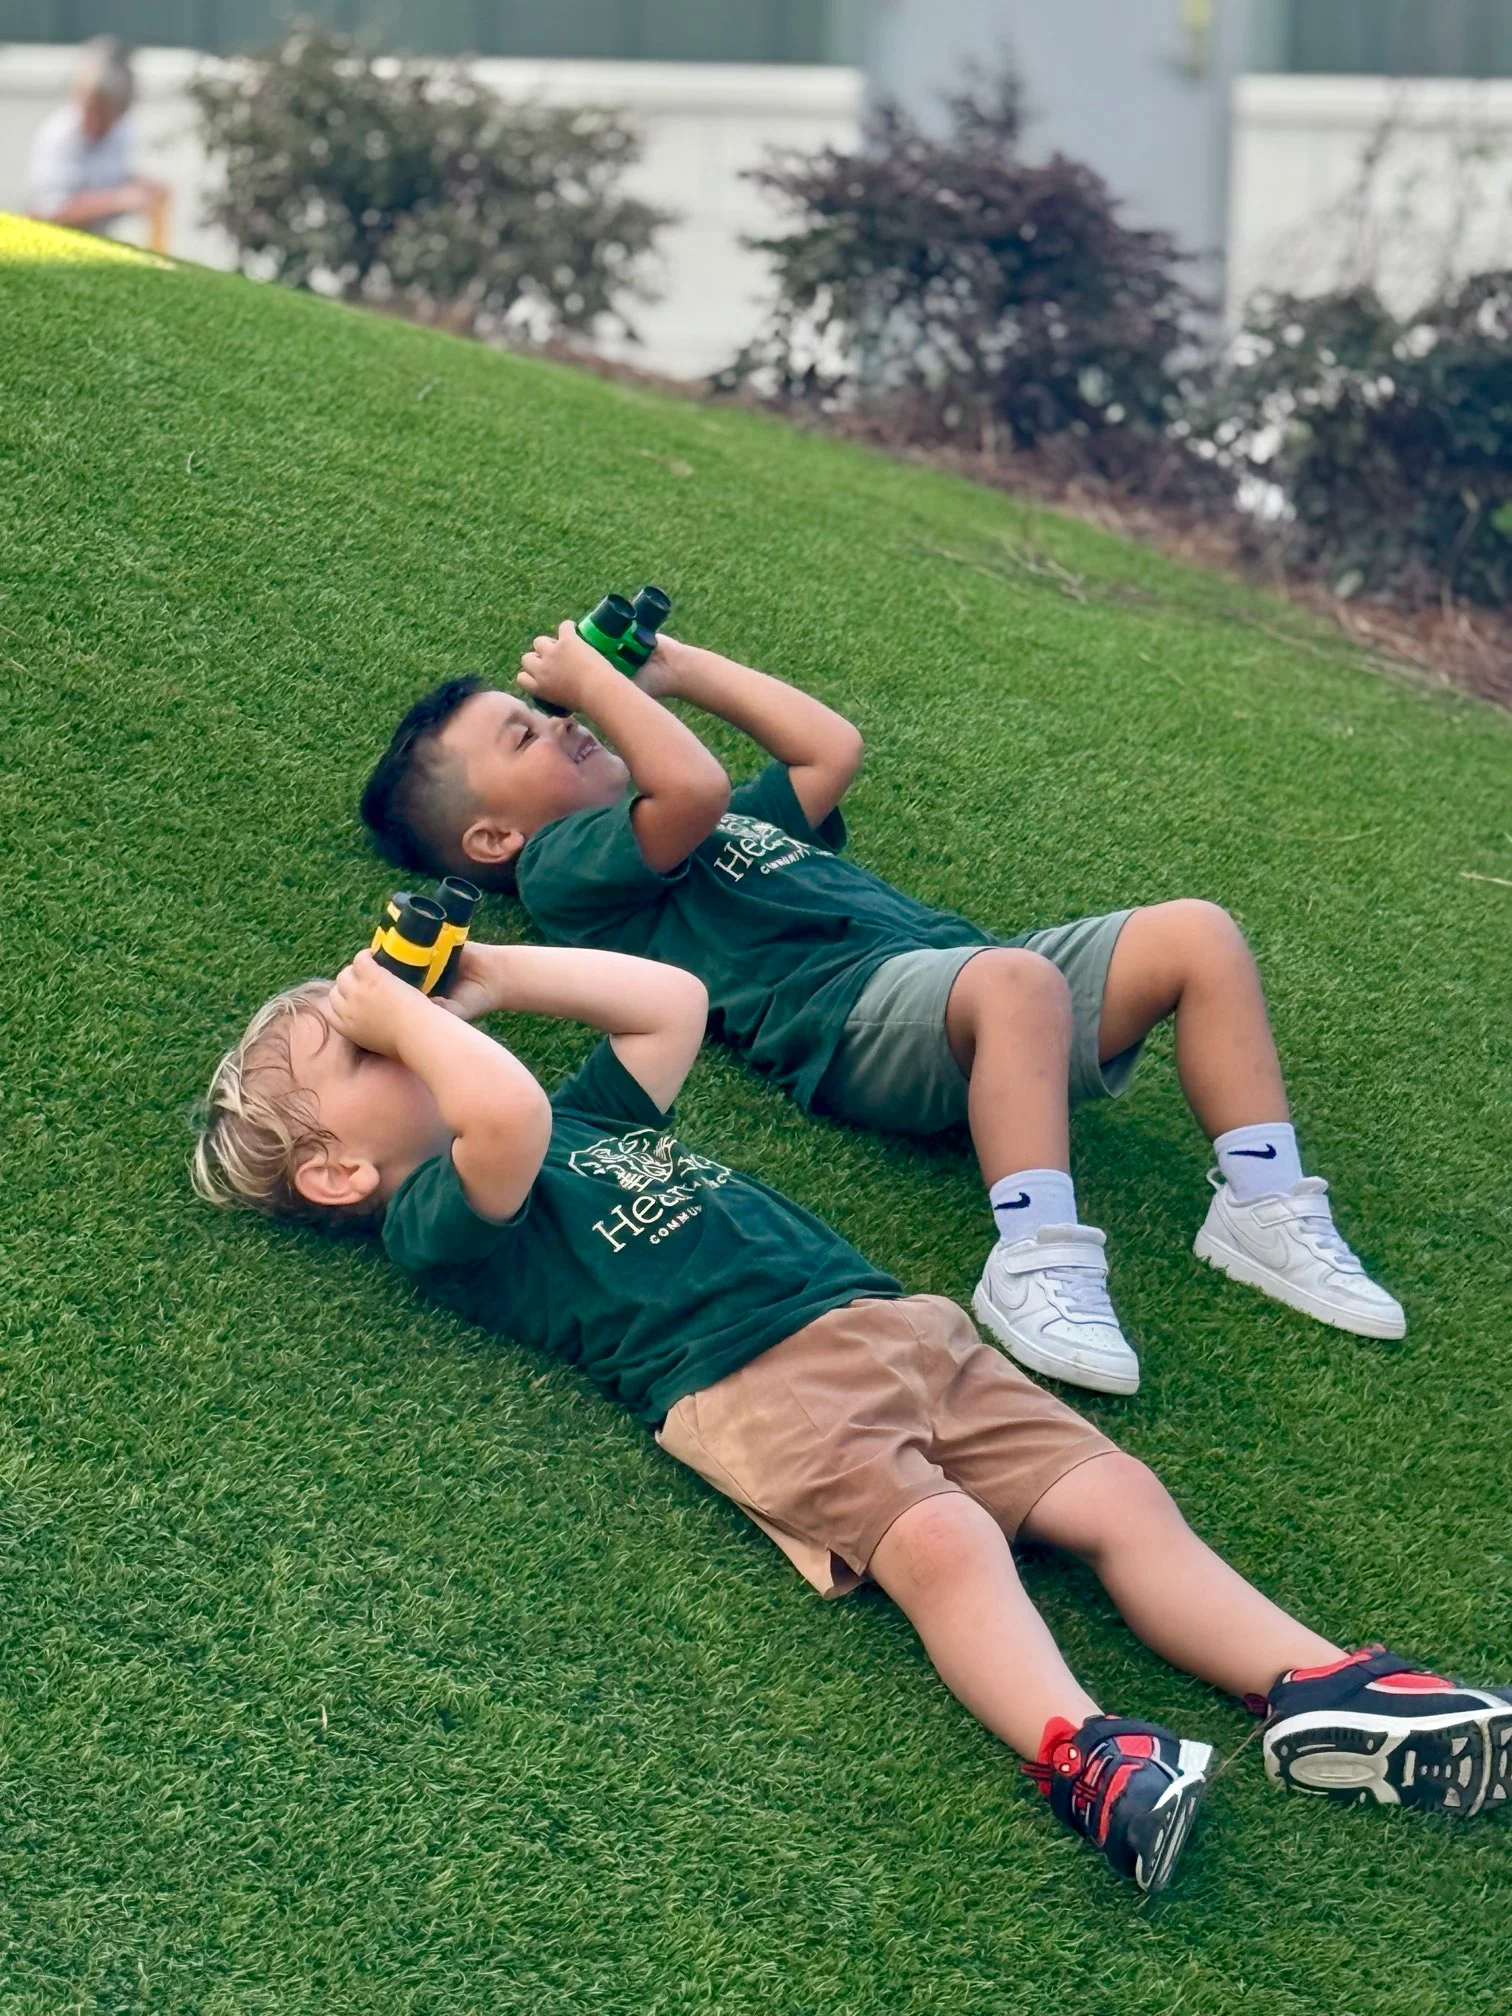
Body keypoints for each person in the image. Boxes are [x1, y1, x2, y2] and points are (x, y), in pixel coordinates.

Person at [191, 941, 1510, 1896]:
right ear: (339, 1170)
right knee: (941, 1544)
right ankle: (1083, 1748)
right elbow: (505, 1111)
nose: (401, 1029)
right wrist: (421, 1028)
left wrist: (483, 976)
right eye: (362, 1052)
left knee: (1120, 1498)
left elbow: (671, 1004)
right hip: (749, 1380)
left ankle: (1314, 1684)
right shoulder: (441, 1218)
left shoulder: (576, 1112)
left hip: (892, 1322)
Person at [358, 627, 1405, 1396]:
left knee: (1197, 932)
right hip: (854, 1023)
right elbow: (693, 784)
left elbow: (828, 750)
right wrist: (592, 676)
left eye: (549, 710)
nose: (565, 724)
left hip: (963, 981)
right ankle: (1035, 1260)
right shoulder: (564, 872)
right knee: (1017, 982)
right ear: (493, 839)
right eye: (525, 734)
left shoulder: (706, 828)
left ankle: (1265, 1207)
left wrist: (672, 667)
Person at [26, 37, 169, 247]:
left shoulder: (122, 129)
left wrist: (144, 185)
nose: (96, 124)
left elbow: (112, 176)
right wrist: (118, 200)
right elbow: (48, 210)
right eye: (91, 111)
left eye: (105, 116)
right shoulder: (60, 135)